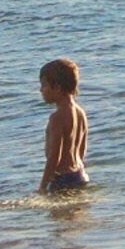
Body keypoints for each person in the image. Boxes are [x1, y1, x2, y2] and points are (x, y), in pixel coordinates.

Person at [39, 57, 90, 193]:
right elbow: (82, 149)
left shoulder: (57, 117)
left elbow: (54, 157)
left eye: (44, 85)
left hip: (63, 180)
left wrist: (43, 187)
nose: (41, 90)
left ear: (57, 87)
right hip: (80, 174)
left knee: (55, 209)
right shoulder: (80, 112)